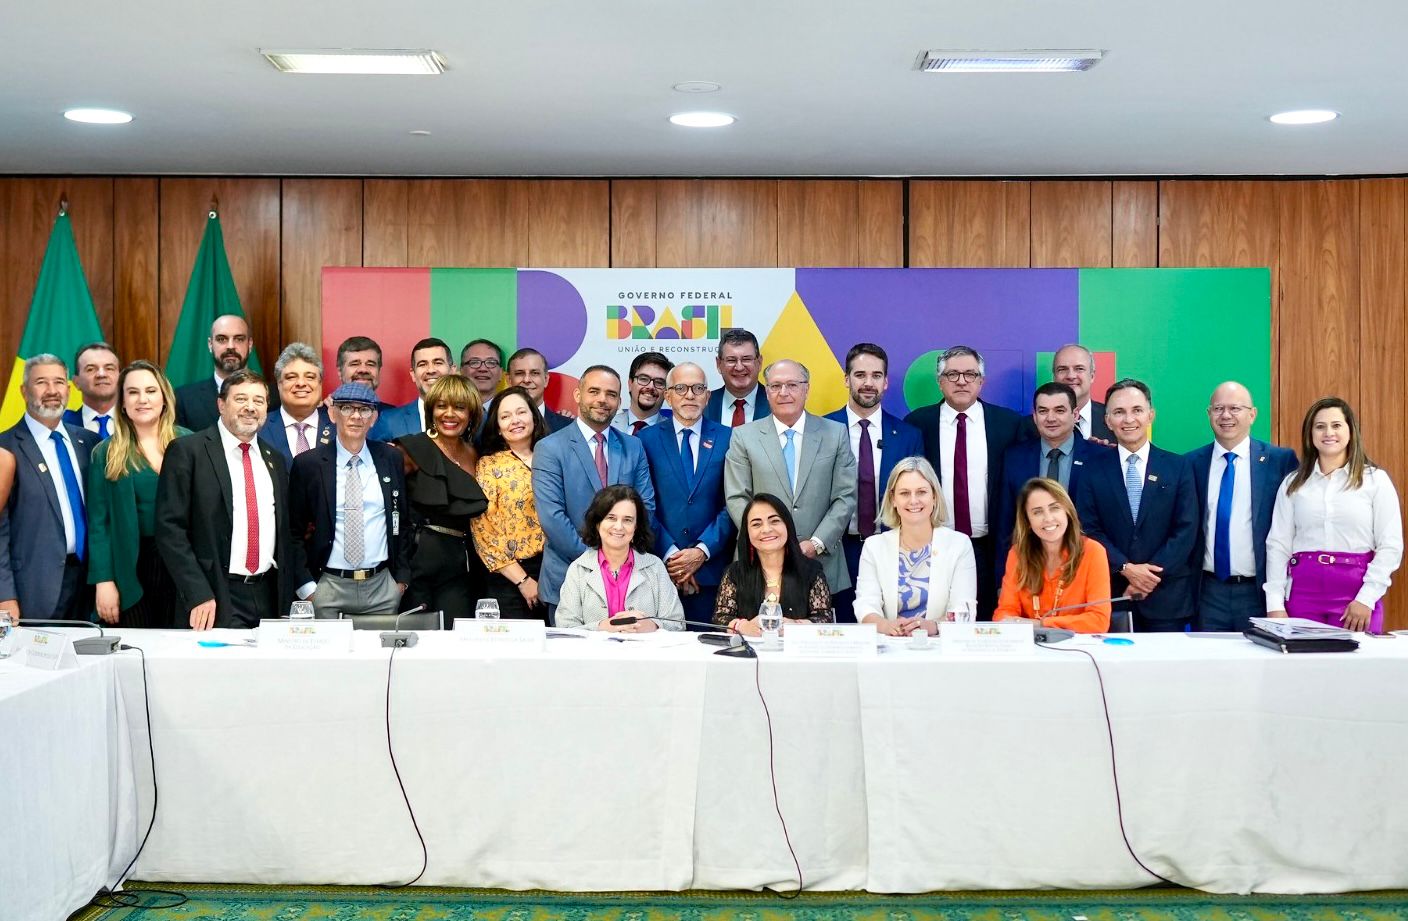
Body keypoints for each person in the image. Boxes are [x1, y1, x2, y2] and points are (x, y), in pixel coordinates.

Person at [156, 369, 304, 629]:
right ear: (221, 404)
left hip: (268, 595)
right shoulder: (188, 451)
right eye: (241, 399)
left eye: (258, 401)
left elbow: (285, 531)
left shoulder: (274, 459)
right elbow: (170, 530)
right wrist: (197, 593)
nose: (250, 407)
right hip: (214, 595)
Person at [1265, 397, 1403, 634]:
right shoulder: (1293, 484)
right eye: (1320, 426)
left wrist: (1366, 598)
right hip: (1302, 595)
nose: (1328, 432)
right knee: (1302, 669)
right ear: (1310, 434)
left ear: (1351, 431)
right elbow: (1278, 545)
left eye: (1337, 425)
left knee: (1357, 669)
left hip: (1355, 596)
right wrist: (1275, 605)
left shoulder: (1375, 480)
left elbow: (1390, 546)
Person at [903, 345, 1022, 617]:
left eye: (970, 374)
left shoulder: (1009, 424)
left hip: (990, 547)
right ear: (940, 381)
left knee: (988, 622)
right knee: (934, 619)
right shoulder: (917, 423)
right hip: (933, 546)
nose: (961, 381)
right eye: (952, 374)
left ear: (982, 381)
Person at [725, 359, 857, 597]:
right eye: (775, 386)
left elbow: (845, 497)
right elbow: (737, 498)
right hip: (759, 564)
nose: (783, 392)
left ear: (806, 389)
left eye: (792, 385)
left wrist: (816, 543)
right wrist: (768, 541)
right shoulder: (743, 437)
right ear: (766, 392)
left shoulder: (835, 434)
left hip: (821, 563)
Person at [1075, 379, 1198, 631]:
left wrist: (1147, 578)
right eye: (1119, 412)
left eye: (1137, 410)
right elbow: (1089, 529)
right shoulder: (1091, 471)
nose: (1128, 419)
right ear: (1108, 420)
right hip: (1112, 594)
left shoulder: (1178, 467)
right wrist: (1125, 568)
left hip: (1166, 598)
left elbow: (1186, 529)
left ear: (1150, 415)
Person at [532, 365, 656, 615]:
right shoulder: (550, 448)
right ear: (578, 395)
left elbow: (646, 508)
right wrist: (598, 562)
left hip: (627, 580)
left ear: (620, 401)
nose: (602, 399)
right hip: (568, 576)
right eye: (594, 391)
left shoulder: (633, 447)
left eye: (611, 394)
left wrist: (617, 560)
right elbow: (552, 517)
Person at [289, 382, 411, 618]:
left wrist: (400, 582)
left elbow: (402, 522)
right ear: (333, 414)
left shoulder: (391, 458)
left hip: (382, 588)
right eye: (347, 408)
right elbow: (293, 532)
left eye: (364, 409)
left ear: (374, 417)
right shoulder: (308, 464)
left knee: (381, 655)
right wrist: (309, 590)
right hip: (328, 587)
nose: (356, 416)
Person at [824, 343, 924, 621]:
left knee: (889, 630)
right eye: (860, 375)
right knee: (840, 632)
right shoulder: (821, 430)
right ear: (846, 379)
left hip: (892, 549)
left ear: (886, 382)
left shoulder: (907, 435)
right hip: (837, 551)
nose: (868, 383)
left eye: (876, 376)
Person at [1187, 382, 1298, 630]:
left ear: (1252, 414)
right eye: (1218, 408)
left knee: (1260, 666)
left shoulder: (1279, 461)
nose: (1226, 415)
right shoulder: (1191, 463)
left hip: (1258, 591)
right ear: (1209, 414)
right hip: (1207, 593)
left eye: (1235, 408)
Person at [86, 361, 189, 628]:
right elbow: (99, 525)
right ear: (122, 402)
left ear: (164, 398)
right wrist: (104, 581)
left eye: (151, 391)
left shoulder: (190, 445)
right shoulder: (105, 453)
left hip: (182, 565)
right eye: (133, 392)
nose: (142, 399)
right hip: (129, 567)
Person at [0, 355, 100, 621]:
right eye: (41, 382)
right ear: (24, 390)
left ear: (69, 389)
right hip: (32, 589)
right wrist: (4, 595)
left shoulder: (89, 443)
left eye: (59, 382)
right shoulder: (6, 448)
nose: (52, 391)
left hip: (89, 587)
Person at [638, 362, 733, 625]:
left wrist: (701, 552)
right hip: (659, 570)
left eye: (698, 388)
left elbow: (734, 504)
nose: (689, 395)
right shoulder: (645, 440)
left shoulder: (730, 438)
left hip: (712, 573)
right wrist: (673, 557)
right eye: (680, 388)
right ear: (667, 395)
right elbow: (644, 506)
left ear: (708, 395)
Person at [394, 374, 489, 623]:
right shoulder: (411, 449)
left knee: (456, 639)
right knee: (415, 639)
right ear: (431, 409)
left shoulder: (477, 454)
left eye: (459, 407)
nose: (449, 414)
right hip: (417, 562)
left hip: (461, 565)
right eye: (441, 406)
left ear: (471, 414)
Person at [996, 382, 1108, 582]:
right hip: (1030, 569)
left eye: (1059, 410)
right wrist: (1002, 579)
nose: (1050, 418)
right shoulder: (1014, 457)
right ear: (1035, 416)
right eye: (1043, 411)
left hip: (1085, 568)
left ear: (1075, 415)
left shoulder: (1100, 457)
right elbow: (1006, 523)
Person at [854, 457, 976, 635]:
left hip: (940, 648)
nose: (913, 500)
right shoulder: (874, 547)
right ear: (893, 499)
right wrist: (887, 626)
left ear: (934, 496)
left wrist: (932, 626)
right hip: (889, 647)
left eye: (921, 492)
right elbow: (865, 606)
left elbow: (964, 611)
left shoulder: (959, 545)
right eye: (904, 493)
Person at [555, 485, 685, 631]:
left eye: (627, 520)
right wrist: (602, 627)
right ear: (598, 523)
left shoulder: (655, 567)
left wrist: (653, 626)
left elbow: (677, 624)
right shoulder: (578, 570)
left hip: (644, 653)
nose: (619, 526)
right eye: (611, 518)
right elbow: (565, 627)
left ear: (636, 527)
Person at [471, 386, 549, 619]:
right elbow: (484, 530)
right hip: (510, 578)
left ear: (534, 416)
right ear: (497, 425)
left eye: (521, 412)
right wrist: (523, 580)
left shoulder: (555, 456)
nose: (515, 420)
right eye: (505, 416)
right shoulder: (489, 465)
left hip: (556, 570)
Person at [994, 478, 1112, 633]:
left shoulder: (1093, 551)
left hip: (1077, 650)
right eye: (1037, 512)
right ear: (1027, 521)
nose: (1048, 518)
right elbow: (1003, 616)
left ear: (1067, 512)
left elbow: (1098, 620)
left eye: (1054, 508)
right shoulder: (1018, 554)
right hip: (1031, 650)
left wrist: (1040, 624)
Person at [714, 493, 834, 634]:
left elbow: (824, 619)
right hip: (749, 653)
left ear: (787, 525)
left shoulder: (811, 571)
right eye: (756, 524)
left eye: (774, 521)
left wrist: (795, 626)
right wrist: (742, 626)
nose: (766, 529)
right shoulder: (734, 573)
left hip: (794, 653)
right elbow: (720, 618)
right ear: (747, 532)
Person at [175, 314, 277, 431]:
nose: (230, 346)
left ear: (249, 344)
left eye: (239, 339)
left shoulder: (275, 397)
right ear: (210, 344)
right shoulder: (184, 398)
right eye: (221, 339)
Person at [258, 342, 333, 468]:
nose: (301, 383)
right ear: (278, 384)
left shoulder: (339, 427)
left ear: (320, 384)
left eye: (310, 377)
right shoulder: (259, 427)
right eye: (291, 377)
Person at [371, 337, 456, 442]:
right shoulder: (390, 420)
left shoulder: (470, 417)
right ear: (413, 375)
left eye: (438, 362)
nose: (430, 370)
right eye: (422, 364)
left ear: (452, 371)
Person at [706, 328, 770, 427]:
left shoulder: (776, 403)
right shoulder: (704, 404)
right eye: (731, 360)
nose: (739, 367)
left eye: (746, 359)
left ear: (759, 362)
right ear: (719, 364)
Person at [1050, 343, 1113, 441]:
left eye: (1079, 369)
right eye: (1062, 369)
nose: (1071, 376)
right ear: (1054, 377)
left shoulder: (1114, 418)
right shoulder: (1031, 425)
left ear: (1092, 376)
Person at [507, 347, 572, 433]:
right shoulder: (493, 425)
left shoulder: (568, 427)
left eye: (534, 373)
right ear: (509, 380)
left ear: (546, 379)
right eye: (519, 373)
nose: (527, 380)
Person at [64, 341, 120, 437]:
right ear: (76, 382)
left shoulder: (137, 421)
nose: (101, 374)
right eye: (91, 369)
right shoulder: (61, 424)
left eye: (109, 368)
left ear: (121, 378)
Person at [612, 351, 673, 434]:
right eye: (643, 379)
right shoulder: (607, 425)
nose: (651, 387)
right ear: (630, 384)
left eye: (659, 382)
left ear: (667, 392)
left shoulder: (673, 432)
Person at [333, 336, 396, 415]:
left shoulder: (395, 416)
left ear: (379, 371)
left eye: (370, 364)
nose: (363, 370)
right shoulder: (322, 414)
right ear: (340, 372)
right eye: (355, 364)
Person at [460, 338, 504, 407]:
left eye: (491, 363)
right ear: (461, 371)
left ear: (500, 373)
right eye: (474, 362)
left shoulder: (511, 411)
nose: (483, 369)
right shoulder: (449, 411)